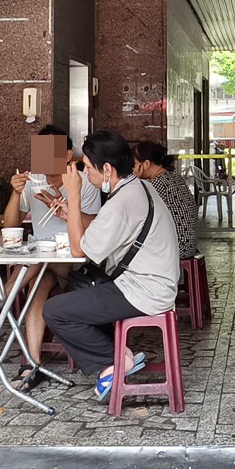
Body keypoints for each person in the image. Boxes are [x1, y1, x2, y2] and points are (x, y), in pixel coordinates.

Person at [0, 124, 102, 393]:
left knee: (36, 262)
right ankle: (31, 365)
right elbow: (11, 225)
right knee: (37, 287)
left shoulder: (83, 181)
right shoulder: (32, 181)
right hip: (40, 265)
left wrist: (67, 209)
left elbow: (94, 226)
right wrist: (15, 193)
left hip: (75, 262)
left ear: (67, 155)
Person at [44, 130, 180, 401]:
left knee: (55, 311)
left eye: (87, 168)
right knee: (79, 287)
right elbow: (101, 225)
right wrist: (71, 214)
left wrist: (74, 195)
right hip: (152, 282)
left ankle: (113, 361)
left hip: (145, 290)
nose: (85, 174)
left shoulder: (122, 201)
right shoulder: (137, 187)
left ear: (106, 169)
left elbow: (78, 249)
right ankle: (119, 354)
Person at [133, 140, 199, 260]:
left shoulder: (157, 183)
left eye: (134, 164)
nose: (132, 169)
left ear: (146, 164)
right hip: (189, 243)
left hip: (178, 246)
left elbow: (140, 213)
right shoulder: (172, 176)